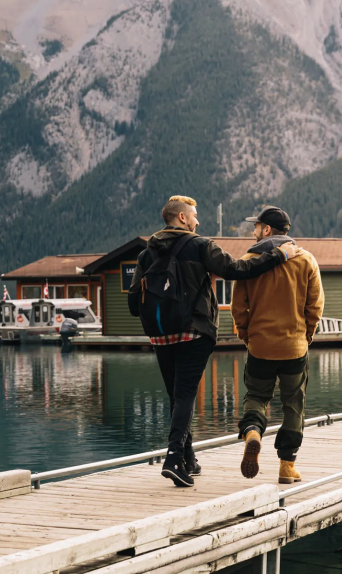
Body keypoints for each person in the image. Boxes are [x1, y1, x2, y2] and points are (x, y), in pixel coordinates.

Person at [129, 195, 305, 488]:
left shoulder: (147, 253)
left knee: (176, 396)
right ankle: (173, 458)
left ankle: (188, 458)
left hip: (161, 334)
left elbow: (135, 303)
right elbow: (237, 269)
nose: (198, 220)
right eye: (195, 215)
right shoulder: (200, 245)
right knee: (185, 396)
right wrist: (279, 255)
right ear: (183, 218)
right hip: (194, 332)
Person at [231, 206, 323, 484]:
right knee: (293, 404)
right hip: (294, 346)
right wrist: (306, 336)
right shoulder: (306, 260)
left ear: (267, 230)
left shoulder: (249, 260)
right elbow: (315, 306)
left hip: (260, 346)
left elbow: (239, 307)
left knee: (257, 397)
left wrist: (246, 335)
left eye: (256, 227)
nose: (253, 231)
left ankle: (253, 433)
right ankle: (286, 466)